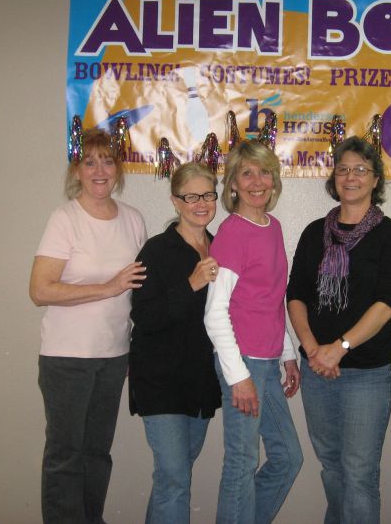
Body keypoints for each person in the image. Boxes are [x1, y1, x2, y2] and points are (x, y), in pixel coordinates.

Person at [286, 136, 391, 524]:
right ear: (333, 177)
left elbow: (386, 303)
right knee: (332, 467)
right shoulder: (313, 233)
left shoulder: (390, 235)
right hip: (317, 369)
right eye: (343, 169)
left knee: (358, 473)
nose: (351, 177)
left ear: (376, 180)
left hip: (367, 373)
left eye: (361, 170)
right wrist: (312, 349)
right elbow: (296, 295)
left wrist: (338, 348)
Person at [29, 127, 147, 524]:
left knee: (97, 453)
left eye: (107, 160)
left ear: (119, 169)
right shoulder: (65, 218)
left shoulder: (133, 220)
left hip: (114, 357)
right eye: (89, 161)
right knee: (66, 456)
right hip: (67, 358)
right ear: (76, 170)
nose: (99, 170)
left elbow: (141, 293)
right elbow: (40, 290)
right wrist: (108, 287)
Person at [204, 140, 303, 524]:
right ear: (232, 184)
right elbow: (214, 313)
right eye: (247, 173)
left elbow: (271, 298)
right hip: (242, 363)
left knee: (288, 457)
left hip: (266, 361)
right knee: (241, 465)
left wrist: (288, 354)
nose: (257, 181)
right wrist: (238, 376)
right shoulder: (232, 233)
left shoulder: (272, 226)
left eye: (264, 172)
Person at [129, 162, 222, 524]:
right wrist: (191, 284)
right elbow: (145, 317)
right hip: (160, 381)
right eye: (192, 196)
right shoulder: (155, 251)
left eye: (209, 195)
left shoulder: (222, 247)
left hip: (201, 382)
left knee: (175, 476)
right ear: (175, 201)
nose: (201, 203)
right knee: (175, 479)